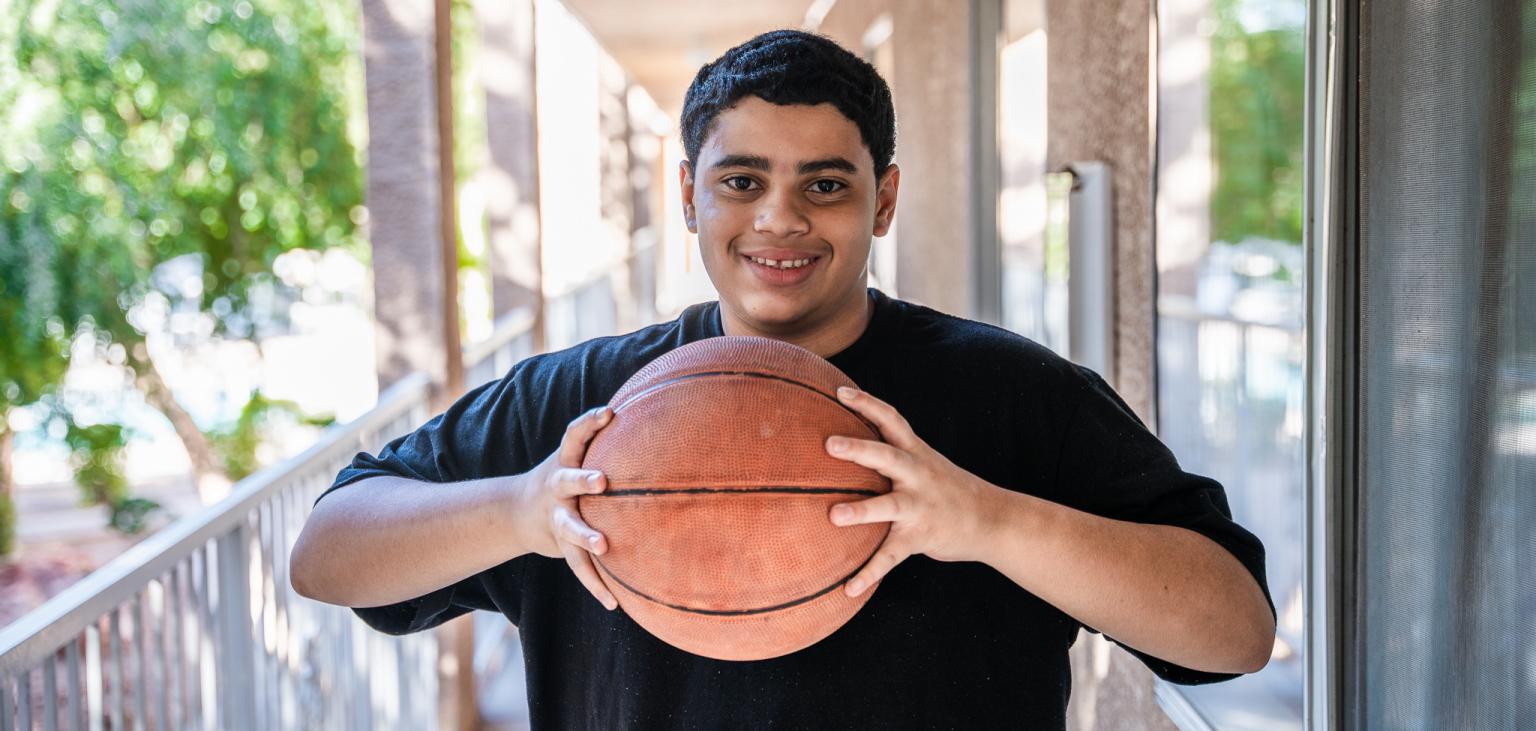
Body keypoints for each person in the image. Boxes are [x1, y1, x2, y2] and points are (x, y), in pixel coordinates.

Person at [290, 29, 1275, 729]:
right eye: (742, 180)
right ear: (689, 193)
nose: (780, 218)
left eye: (826, 183)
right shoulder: (579, 407)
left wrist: (989, 519)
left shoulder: (1016, 393)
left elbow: (1234, 631)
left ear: (883, 200)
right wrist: (523, 508)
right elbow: (327, 552)